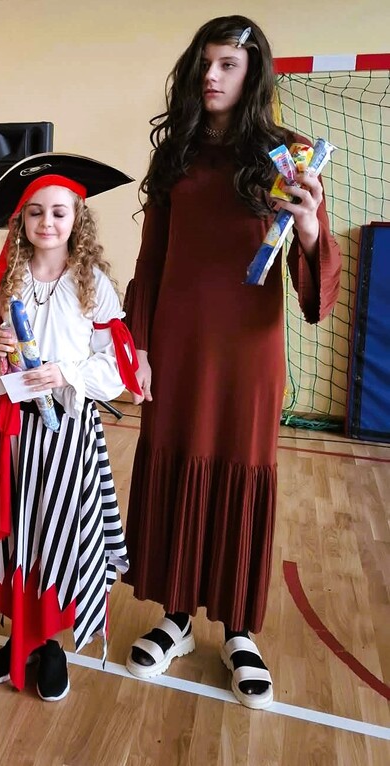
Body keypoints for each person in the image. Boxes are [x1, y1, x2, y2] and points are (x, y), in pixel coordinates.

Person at [122, 16, 341, 709]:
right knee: (174, 460)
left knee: (241, 473)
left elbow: (316, 278)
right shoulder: (176, 155)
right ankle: (177, 616)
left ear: (253, 75)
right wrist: (138, 346)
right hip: (177, 342)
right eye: (205, 64)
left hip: (249, 347)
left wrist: (309, 225)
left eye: (228, 65)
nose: (212, 76)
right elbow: (152, 259)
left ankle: (239, 630)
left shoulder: (290, 156)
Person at [0, 153, 136, 701]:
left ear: (77, 219)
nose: (47, 222)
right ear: (22, 221)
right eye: (35, 212)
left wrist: (66, 373)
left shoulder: (94, 285)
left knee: (57, 532)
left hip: (67, 434)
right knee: (15, 532)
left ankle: (51, 643)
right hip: (10, 433)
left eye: (59, 212)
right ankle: (21, 635)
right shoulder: (7, 281)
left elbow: (116, 369)